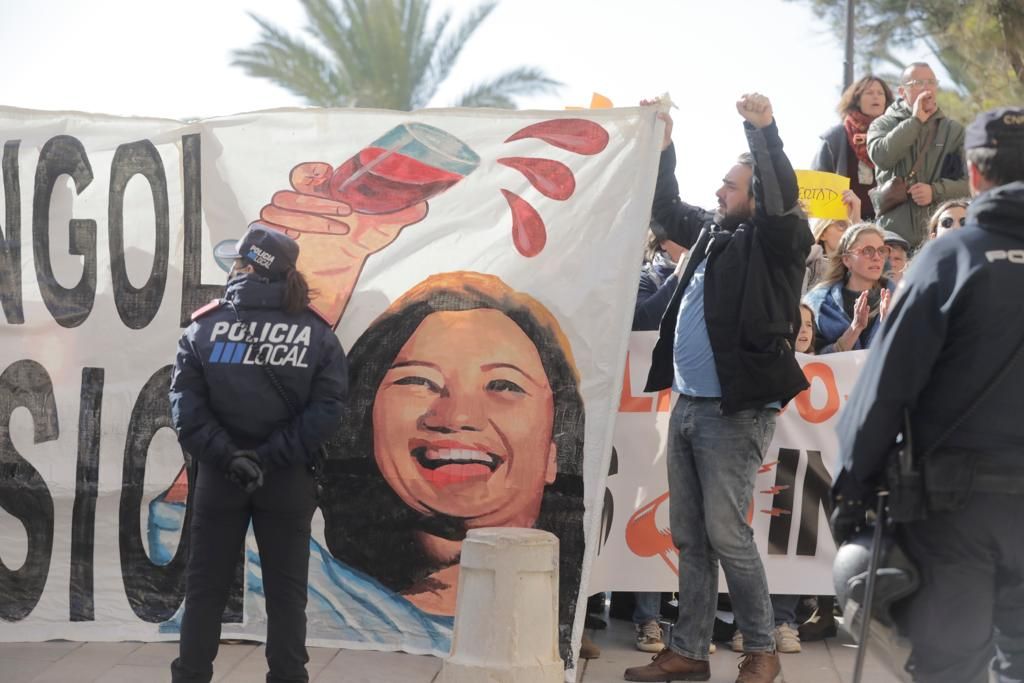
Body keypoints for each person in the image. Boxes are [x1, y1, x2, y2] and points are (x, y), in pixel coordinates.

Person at [624, 94, 811, 683]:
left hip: (734, 412)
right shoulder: (711, 233)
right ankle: (690, 652)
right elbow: (662, 205)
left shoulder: (780, 239)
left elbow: (779, 199)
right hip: (689, 405)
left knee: (729, 535)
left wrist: (763, 133)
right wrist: (664, 147)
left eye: (731, 185)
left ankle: (761, 650)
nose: (720, 192)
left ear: (759, 196)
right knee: (689, 536)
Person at [833, 107, 1024, 683]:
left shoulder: (951, 257)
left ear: (973, 172)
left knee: (950, 670)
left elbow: (886, 386)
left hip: (954, 513)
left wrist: (852, 486)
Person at [318, 271, 586, 667]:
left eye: (504, 386)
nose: (456, 416)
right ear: (365, 420)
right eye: (419, 381)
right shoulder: (300, 586)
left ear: (554, 449)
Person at [168, 225, 348, 683]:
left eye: (236, 261)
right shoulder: (317, 333)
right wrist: (267, 458)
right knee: (287, 595)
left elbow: (185, 411)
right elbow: (328, 412)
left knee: (205, 590)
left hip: (219, 478)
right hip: (286, 479)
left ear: (247, 268)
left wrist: (231, 458)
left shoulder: (203, 328)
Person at [868, 62, 968, 248]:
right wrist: (915, 122)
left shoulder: (953, 131)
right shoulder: (881, 124)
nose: (926, 88)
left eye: (931, 82)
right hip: (893, 239)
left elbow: (971, 184)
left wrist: (935, 191)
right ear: (902, 91)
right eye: (918, 82)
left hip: (939, 239)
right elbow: (882, 156)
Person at [812, 75, 896, 220]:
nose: (875, 97)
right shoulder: (835, 137)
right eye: (869, 93)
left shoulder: (896, 135)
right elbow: (817, 182)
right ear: (857, 100)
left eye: (880, 93)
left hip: (889, 222)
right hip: (844, 223)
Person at [802, 223, 894, 354]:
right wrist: (854, 330)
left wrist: (890, 326)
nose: (877, 257)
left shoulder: (899, 297)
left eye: (881, 251)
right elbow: (811, 357)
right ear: (846, 260)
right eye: (867, 251)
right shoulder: (818, 303)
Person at [803, 191, 862, 293]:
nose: (849, 231)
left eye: (852, 226)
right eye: (841, 224)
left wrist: (856, 218)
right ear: (823, 234)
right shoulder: (808, 266)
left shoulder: (860, 267)